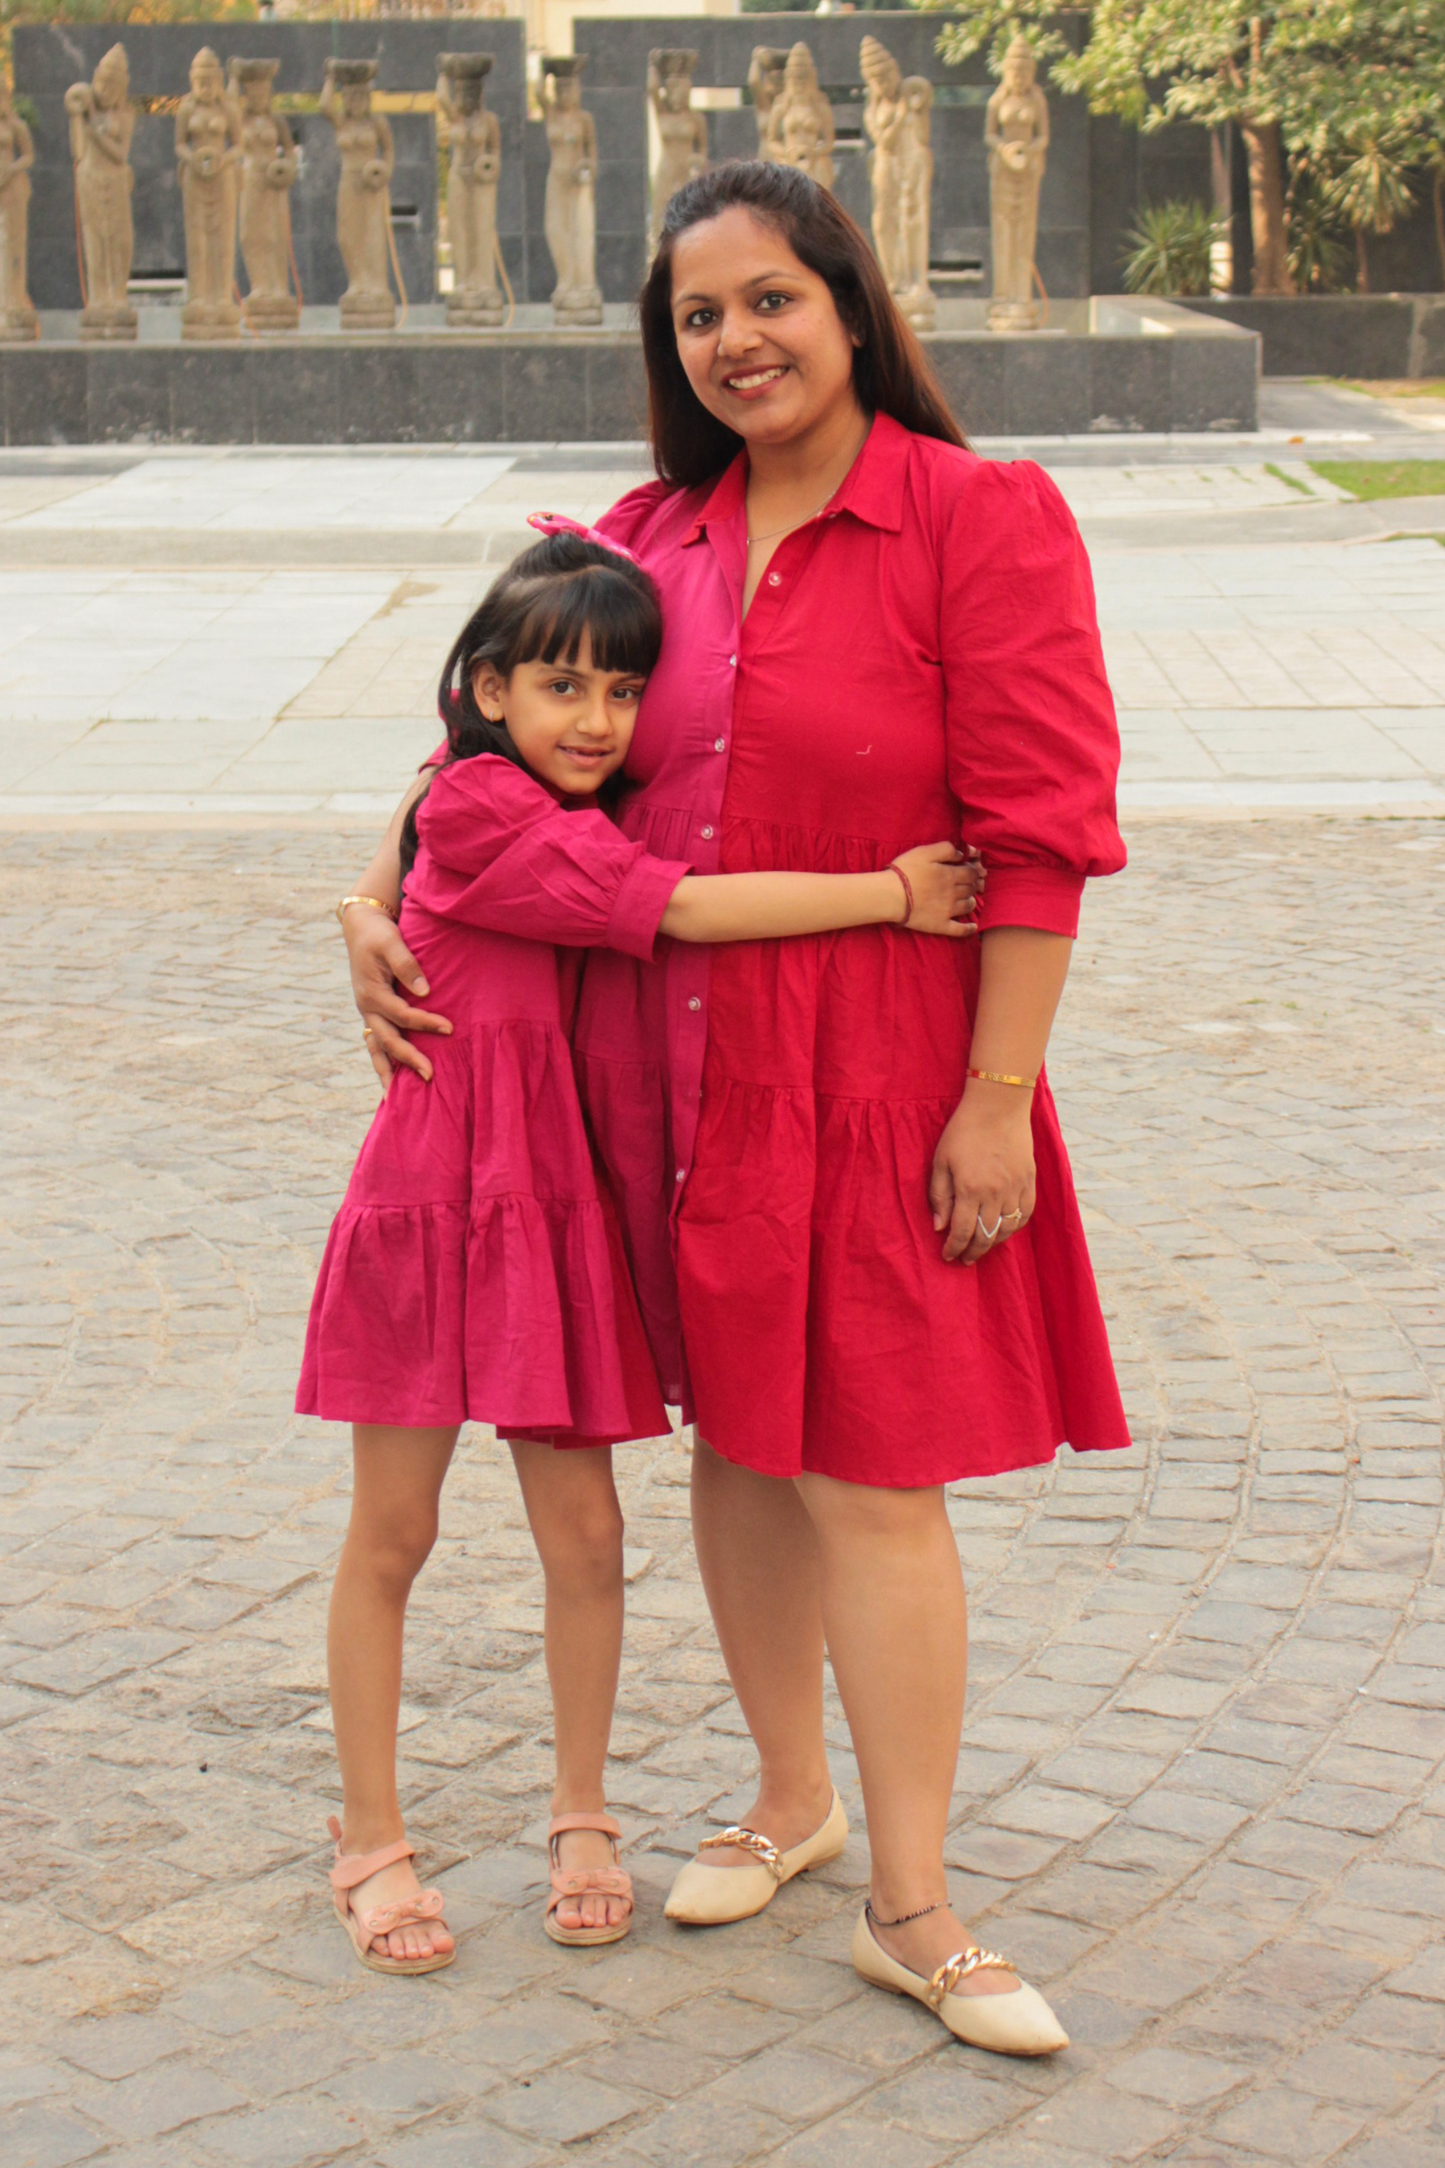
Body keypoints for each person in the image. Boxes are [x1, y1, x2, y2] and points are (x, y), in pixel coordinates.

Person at [344, 163, 1127, 2055]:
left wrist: (997, 1099)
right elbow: (487, 744)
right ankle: (791, 1799)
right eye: (700, 316)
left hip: (873, 1074)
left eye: (770, 299)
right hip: (656, 1078)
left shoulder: (977, 518)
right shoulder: (647, 533)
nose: (737, 341)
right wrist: (365, 899)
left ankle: (916, 1901)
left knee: (874, 1469)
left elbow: (1037, 841)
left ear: (851, 306)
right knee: (742, 1448)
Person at [305, 516, 981, 1975]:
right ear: (487, 690)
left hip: (557, 1219)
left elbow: (441, 813)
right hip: (437, 1203)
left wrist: (361, 901)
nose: (601, 720)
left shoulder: (563, 799)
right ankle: (371, 1833)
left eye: (624, 692)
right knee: (395, 1535)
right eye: (564, 690)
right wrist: (893, 895)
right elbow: (680, 912)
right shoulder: (489, 811)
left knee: (591, 1541)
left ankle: (582, 1812)